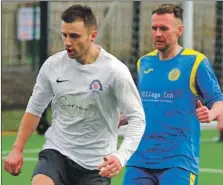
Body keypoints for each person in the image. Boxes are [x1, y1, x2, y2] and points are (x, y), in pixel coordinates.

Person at [4, 4, 146, 185]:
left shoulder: (115, 71)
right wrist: (17, 149)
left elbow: (137, 118)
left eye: (74, 36)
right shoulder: (53, 65)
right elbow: (35, 108)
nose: (67, 42)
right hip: (57, 153)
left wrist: (120, 156)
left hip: (96, 164)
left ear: (92, 36)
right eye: (64, 35)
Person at [123, 4, 223, 185]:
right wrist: (117, 117)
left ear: (179, 30)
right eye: (154, 28)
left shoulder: (196, 62)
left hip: (178, 161)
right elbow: (139, 107)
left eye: (163, 28)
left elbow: (218, 101)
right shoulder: (143, 63)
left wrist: (211, 114)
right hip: (139, 159)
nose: (157, 33)